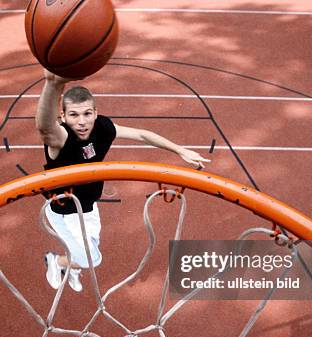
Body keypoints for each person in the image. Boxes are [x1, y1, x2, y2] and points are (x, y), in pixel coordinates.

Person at [36, 69, 210, 292]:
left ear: (96, 113)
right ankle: (57, 261)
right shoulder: (60, 138)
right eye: (74, 115)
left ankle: (71, 265)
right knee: (92, 259)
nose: (81, 121)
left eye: (87, 114)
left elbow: (141, 134)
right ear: (63, 117)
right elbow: (44, 128)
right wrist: (51, 83)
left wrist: (178, 149)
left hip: (88, 206)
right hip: (64, 211)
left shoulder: (102, 128)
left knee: (89, 247)